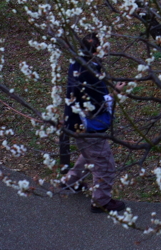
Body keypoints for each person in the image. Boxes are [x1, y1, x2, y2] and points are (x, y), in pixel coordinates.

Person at [59, 33, 126, 214]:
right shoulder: (90, 72)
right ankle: (101, 200)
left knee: (89, 153)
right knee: (104, 162)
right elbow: (99, 104)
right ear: (97, 50)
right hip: (88, 125)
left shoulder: (77, 64)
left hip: (75, 123)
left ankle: (70, 181)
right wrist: (116, 93)